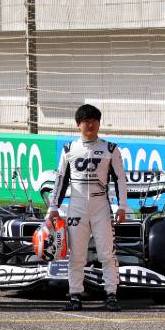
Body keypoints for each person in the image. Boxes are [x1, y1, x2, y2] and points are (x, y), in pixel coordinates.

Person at [46, 104, 129, 311]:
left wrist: (122, 207)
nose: (90, 124)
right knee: (76, 255)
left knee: (107, 254)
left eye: (94, 120)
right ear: (78, 125)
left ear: (99, 123)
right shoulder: (69, 149)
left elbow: (120, 180)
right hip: (76, 207)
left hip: (102, 207)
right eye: (86, 121)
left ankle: (111, 295)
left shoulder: (111, 149)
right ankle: (74, 295)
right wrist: (53, 207)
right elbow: (60, 180)